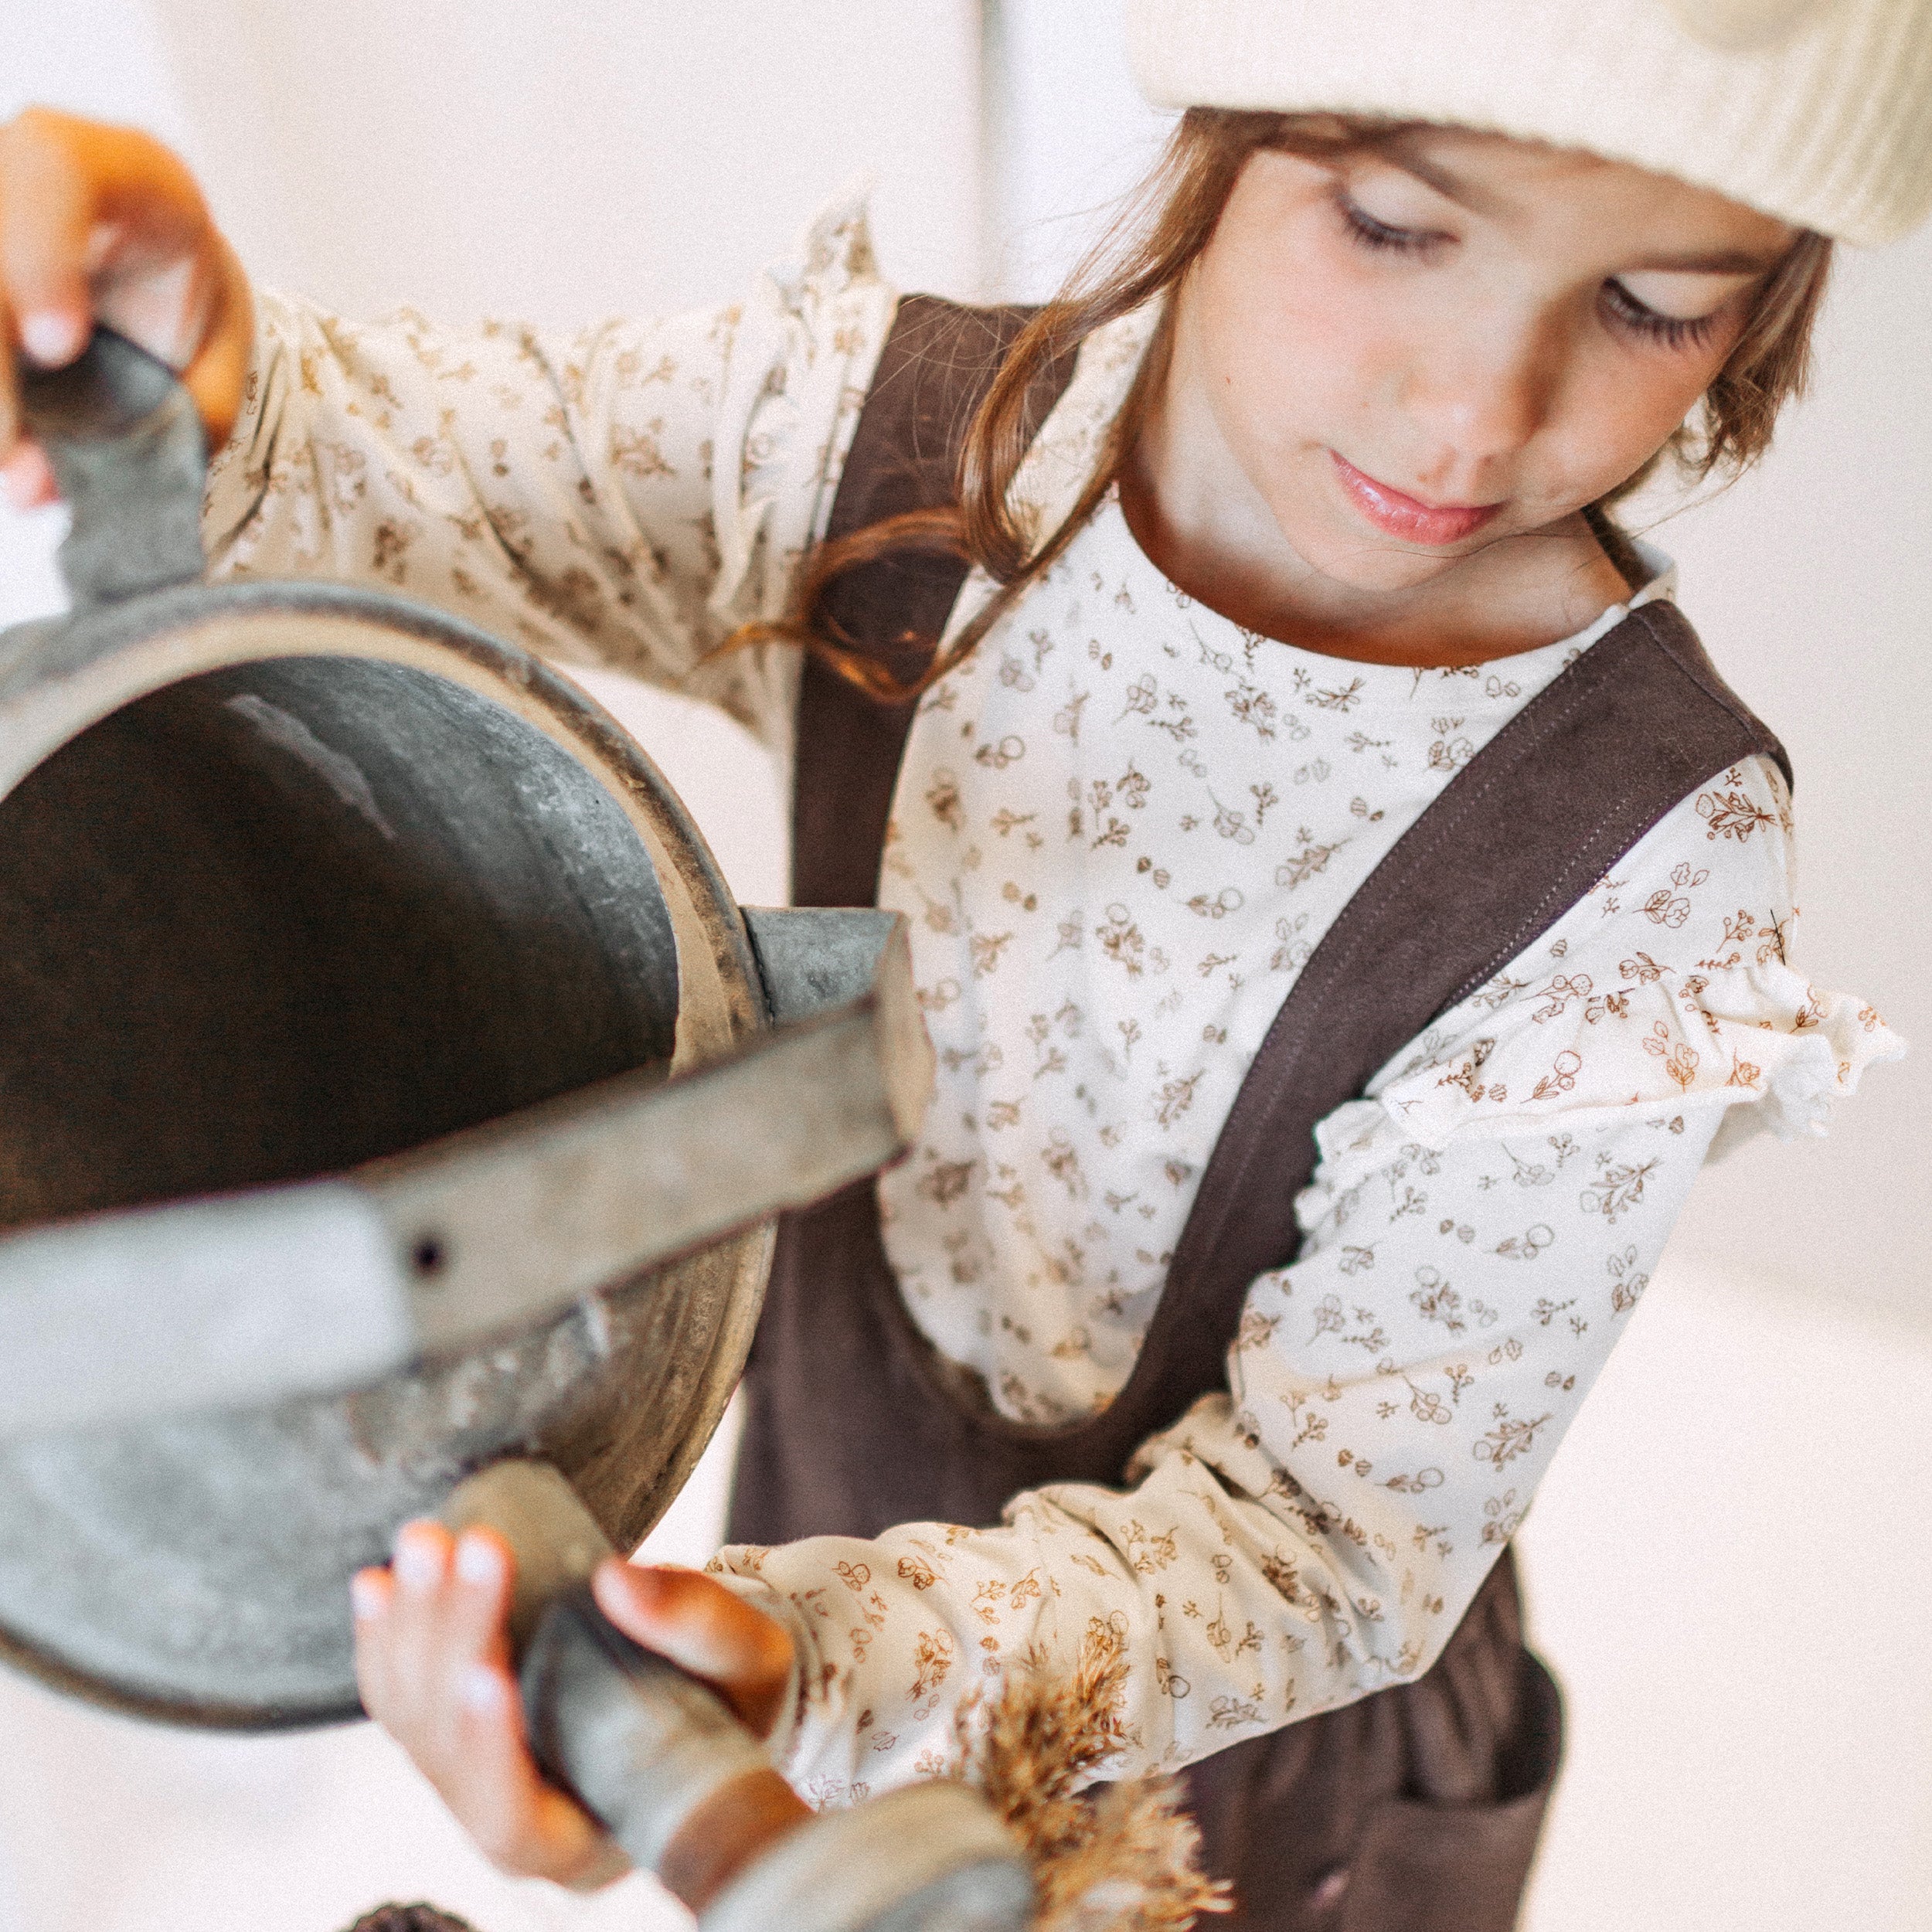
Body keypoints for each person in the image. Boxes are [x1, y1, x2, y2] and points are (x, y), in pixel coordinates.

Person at [1, 1, 1923, 1922]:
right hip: (831, 1503)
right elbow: (446, 473)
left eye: (1653, 304)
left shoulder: (1644, 859)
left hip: (1239, 1773)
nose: (1472, 412)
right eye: (1392, 230)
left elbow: (1324, 1545)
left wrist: (831, 1666)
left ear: (1765, 308)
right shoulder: (882, 450)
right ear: (1221, 120)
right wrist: (193, 358)